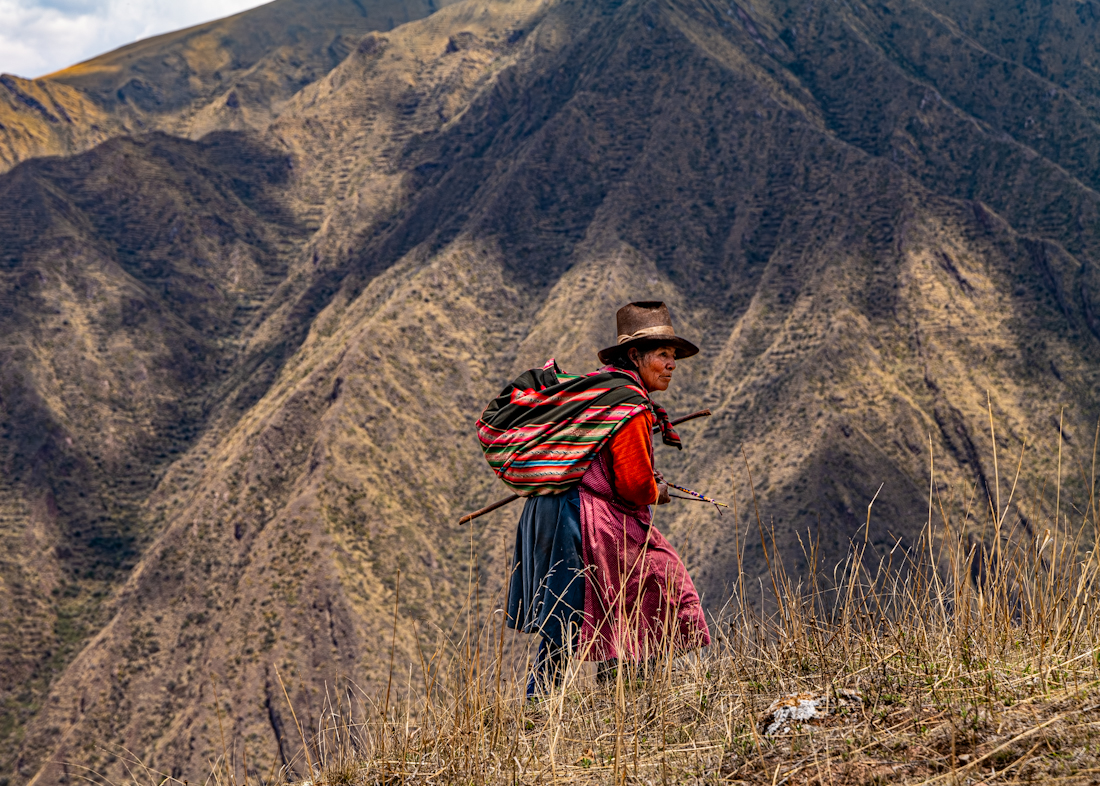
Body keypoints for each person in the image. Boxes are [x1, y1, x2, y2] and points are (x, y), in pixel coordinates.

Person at [476, 302, 711, 697]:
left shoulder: (598, 391)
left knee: (566, 613)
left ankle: (559, 700)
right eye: (662, 355)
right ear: (634, 356)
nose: (671, 364)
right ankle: (617, 687)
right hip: (583, 517)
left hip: (547, 509)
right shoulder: (629, 405)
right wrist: (658, 490)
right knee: (660, 581)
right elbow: (634, 488)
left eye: (673, 356)